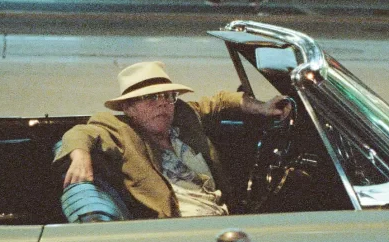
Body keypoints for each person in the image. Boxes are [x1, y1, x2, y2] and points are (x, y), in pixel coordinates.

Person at [56, 61, 291, 219]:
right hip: (180, 231)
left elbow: (220, 101)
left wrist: (261, 107)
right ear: (129, 108)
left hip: (223, 217)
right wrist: (80, 154)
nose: (162, 104)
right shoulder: (119, 129)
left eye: (168, 96)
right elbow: (81, 133)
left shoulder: (183, 117)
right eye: (150, 98)